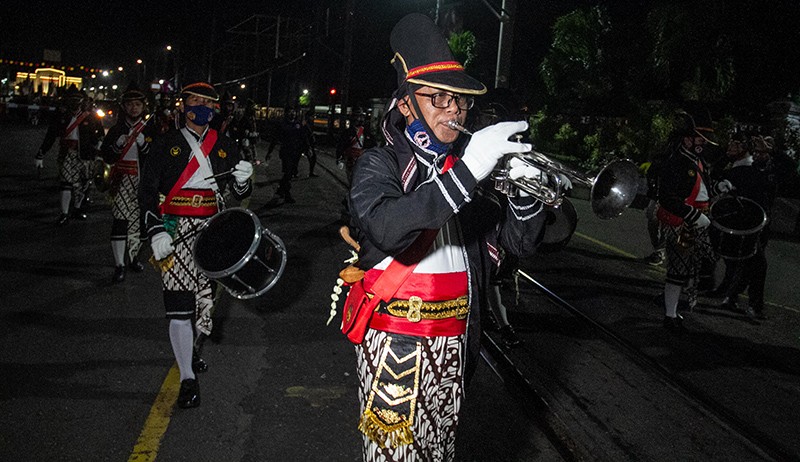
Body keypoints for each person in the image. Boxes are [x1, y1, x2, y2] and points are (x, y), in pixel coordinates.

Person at [343, 13, 546, 460]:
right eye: (439, 98)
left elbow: (519, 244)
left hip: (456, 347)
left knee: (439, 454)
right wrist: (472, 171)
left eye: (460, 101)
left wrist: (527, 196)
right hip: (397, 345)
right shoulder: (380, 165)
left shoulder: (462, 176)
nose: (454, 110)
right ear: (406, 105)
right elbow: (388, 228)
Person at [138, 75, 254, 409]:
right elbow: (147, 191)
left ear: (215, 109)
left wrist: (244, 181)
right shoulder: (165, 143)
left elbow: (238, 192)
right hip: (174, 228)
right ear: (184, 106)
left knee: (206, 300)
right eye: (195, 103)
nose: (201, 109)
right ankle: (188, 377)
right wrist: (156, 230)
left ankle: (190, 348)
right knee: (179, 305)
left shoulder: (224, 144)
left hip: (212, 230)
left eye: (207, 104)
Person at [656, 106, 732, 330]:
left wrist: (717, 188)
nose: (704, 143)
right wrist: (692, 215)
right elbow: (667, 198)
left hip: (697, 220)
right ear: (687, 140)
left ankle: (674, 308)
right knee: (678, 270)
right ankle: (669, 315)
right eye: (699, 138)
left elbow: (701, 190)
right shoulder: (676, 162)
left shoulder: (696, 161)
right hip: (683, 222)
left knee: (691, 268)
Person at [100, 83, 157, 283]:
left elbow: (158, 158)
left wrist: (145, 145)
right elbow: (106, 156)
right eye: (130, 104)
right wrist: (116, 146)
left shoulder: (152, 129)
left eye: (138, 105)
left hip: (143, 184)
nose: (134, 108)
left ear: (144, 107)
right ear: (124, 107)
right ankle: (119, 265)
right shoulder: (116, 129)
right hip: (121, 181)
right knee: (120, 222)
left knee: (140, 225)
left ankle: (133, 258)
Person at [718, 133, 773, 319]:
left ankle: (732, 297)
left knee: (749, 263)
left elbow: (785, 169)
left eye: (764, 151)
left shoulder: (767, 172)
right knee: (756, 264)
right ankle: (752, 305)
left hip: (759, 224)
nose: (760, 154)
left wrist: (771, 152)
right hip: (747, 223)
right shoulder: (748, 170)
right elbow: (717, 175)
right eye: (757, 150)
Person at [36, 84, 105, 225]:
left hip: (86, 154)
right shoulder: (60, 117)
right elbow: (50, 136)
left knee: (83, 183)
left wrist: (99, 151)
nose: (74, 103)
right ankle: (64, 213)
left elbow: (100, 135)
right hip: (67, 153)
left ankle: (78, 209)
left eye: (77, 100)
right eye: (71, 100)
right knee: (66, 183)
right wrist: (40, 153)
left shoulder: (91, 117)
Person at [273, 107, 304, 203]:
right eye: (290, 111)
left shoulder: (298, 124)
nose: (292, 113)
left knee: (291, 173)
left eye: (294, 111)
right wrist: (270, 152)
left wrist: (307, 149)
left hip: (296, 152)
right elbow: (276, 138)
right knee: (288, 172)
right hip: (286, 152)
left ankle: (281, 189)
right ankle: (287, 194)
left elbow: (303, 137)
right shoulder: (282, 124)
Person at [336, 111, 374, 183]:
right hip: (351, 157)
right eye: (357, 117)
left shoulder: (366, 132)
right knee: (351, 176)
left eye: (361, 117)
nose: (359, 119)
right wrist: (339, 157)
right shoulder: (347, 132)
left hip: (363, 157)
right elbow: (341, 145)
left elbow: (372, 144)